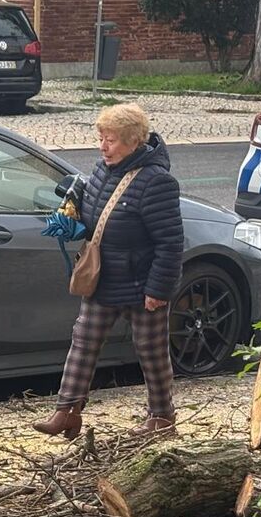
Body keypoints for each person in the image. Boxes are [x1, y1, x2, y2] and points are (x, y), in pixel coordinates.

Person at [34, 103, 184, 439]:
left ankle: (162, 418)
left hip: (142, 284)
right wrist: (72, 222)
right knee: (83, 340)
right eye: (101, 138)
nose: (103, 146)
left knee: (151, 350)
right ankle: (67, 411)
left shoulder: (157, 182)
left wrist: (158, 290)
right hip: (104, 279)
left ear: (134, 142)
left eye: (111, 140)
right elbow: (96, 219)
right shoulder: (101, 172)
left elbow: (171, 243)